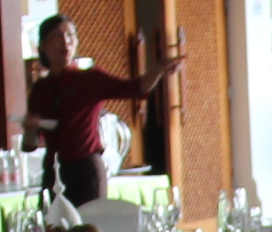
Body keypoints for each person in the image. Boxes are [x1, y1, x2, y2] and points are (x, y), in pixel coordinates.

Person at [23, 14, 182, 207]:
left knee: (91, 223)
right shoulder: (40, 90)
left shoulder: (89, 78)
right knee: (52, 224)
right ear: (42, 46)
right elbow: (29, 145)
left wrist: (157, 69)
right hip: (53, 171)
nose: (65, 42)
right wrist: (30, 128)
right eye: (57, 35)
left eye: (70, 35)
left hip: (86, 169)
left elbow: (135, 89)